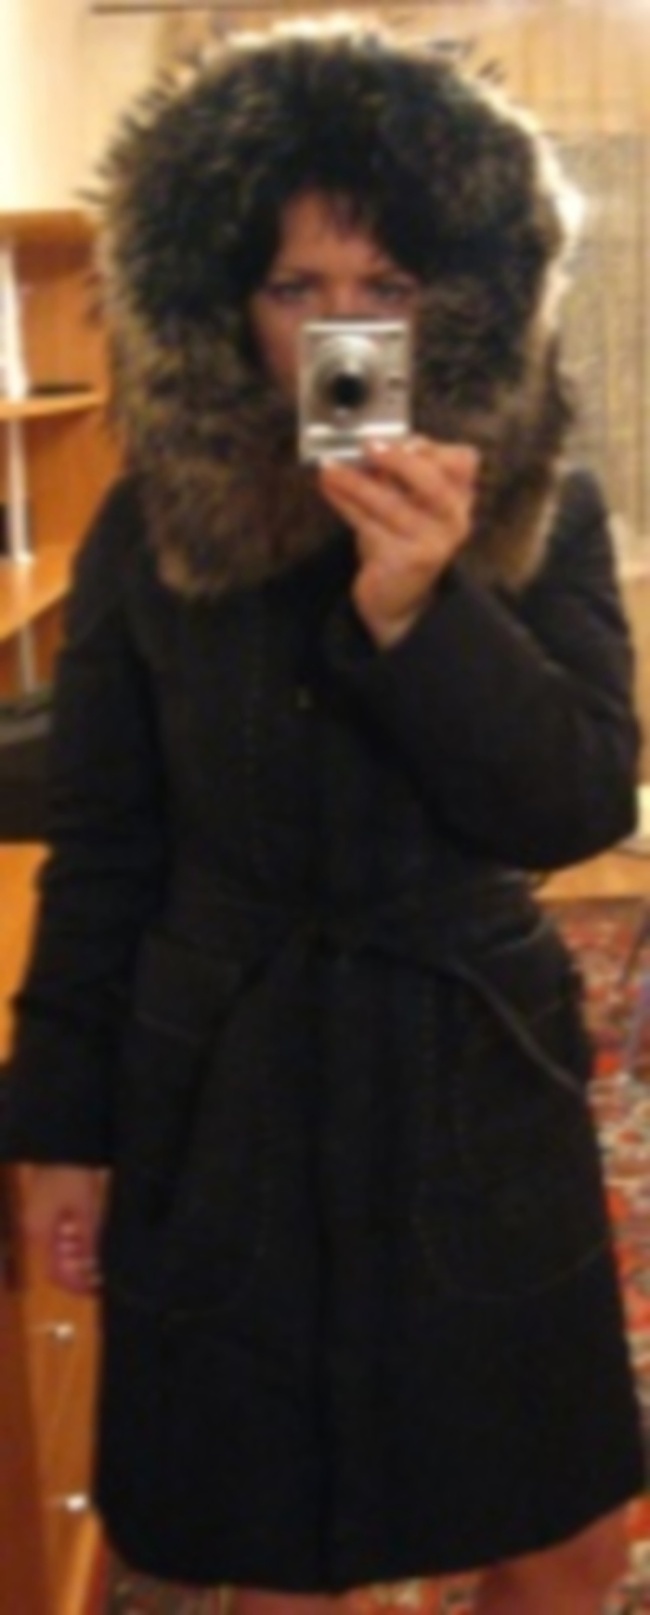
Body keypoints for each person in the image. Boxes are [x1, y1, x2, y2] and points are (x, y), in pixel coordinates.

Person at [1, 17, 645, 1615]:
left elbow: (570, 801)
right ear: (224, 301)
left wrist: (424, 606)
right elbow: (102, 848)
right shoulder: (151, 526)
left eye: (387, 285)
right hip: (222, 1076)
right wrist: (59, 1131)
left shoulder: (538, 503)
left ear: (459, 298)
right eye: (298, 288)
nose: (343, 327)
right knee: (268, 1535)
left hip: (466, 1069)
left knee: (561, 1527)